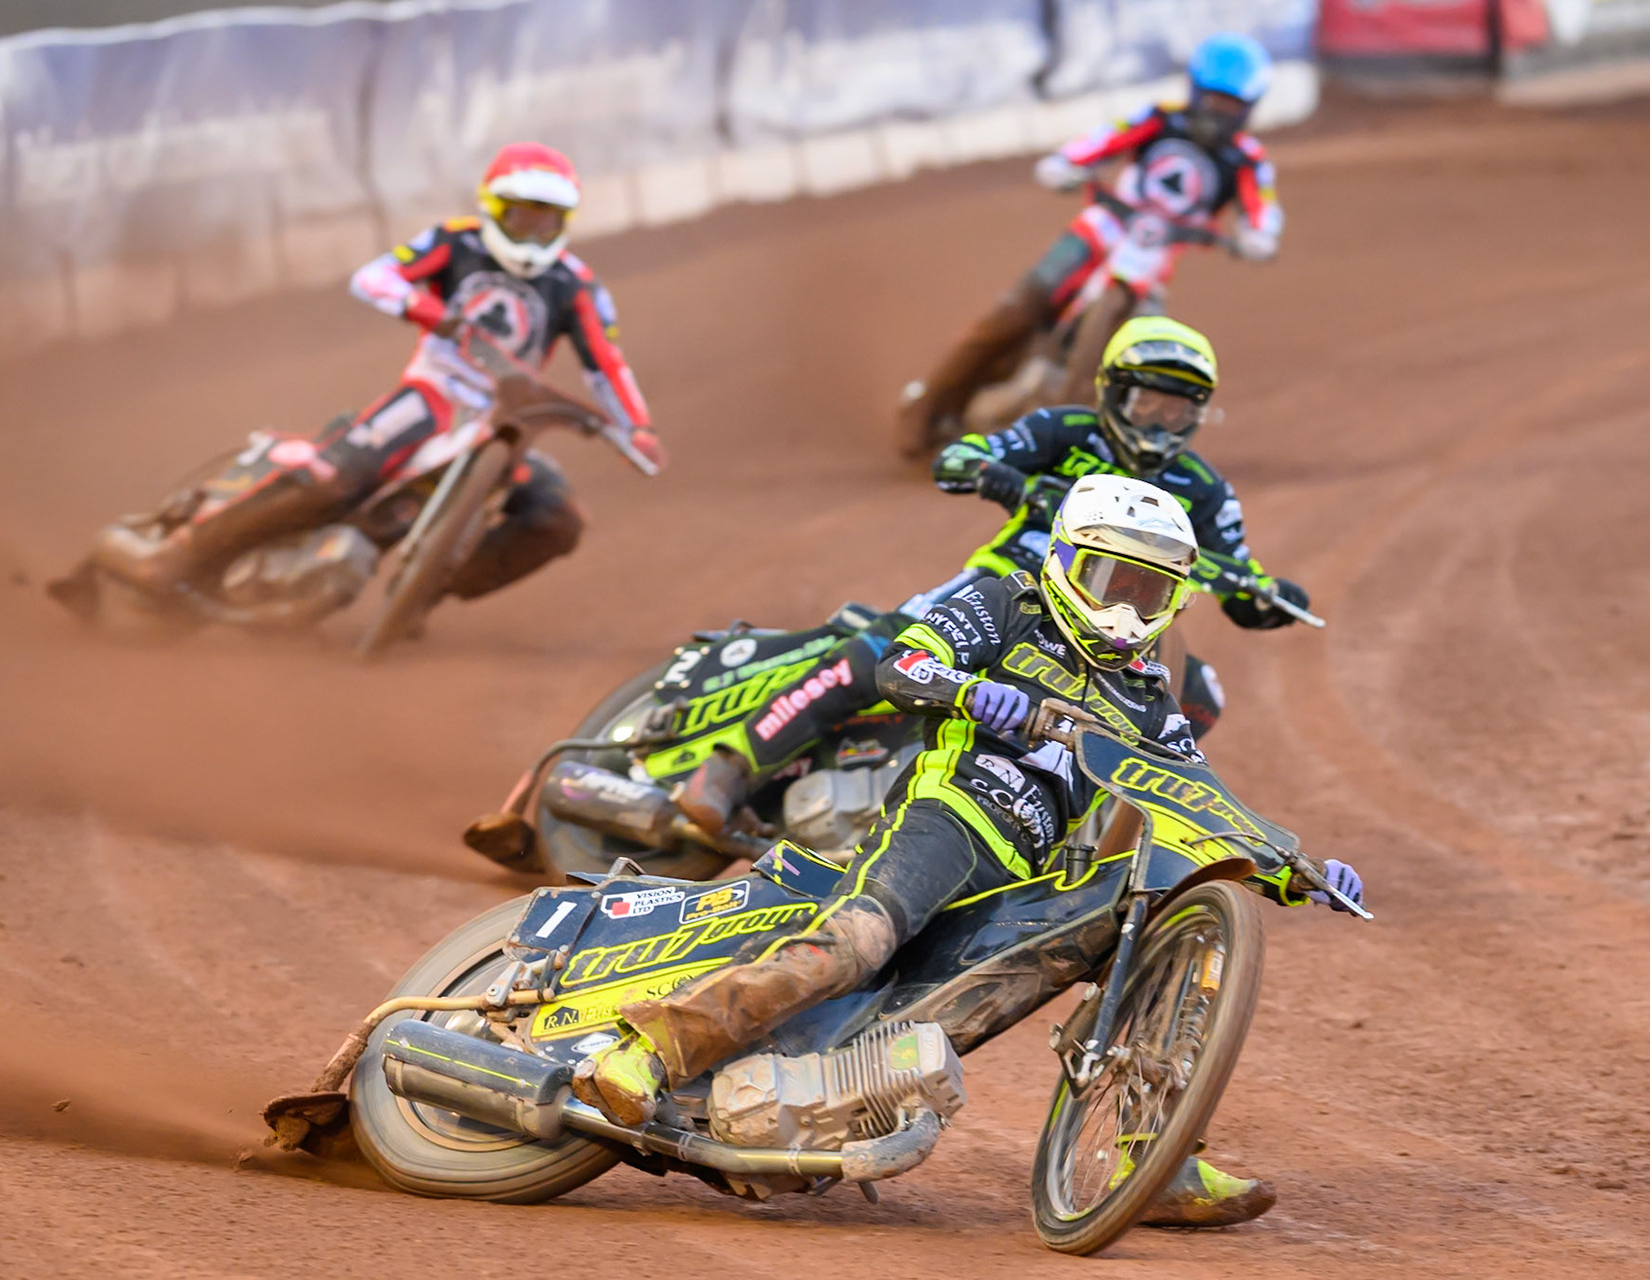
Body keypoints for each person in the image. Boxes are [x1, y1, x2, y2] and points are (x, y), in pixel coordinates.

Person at [575, 474, 1364, 1227]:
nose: (1124, 606)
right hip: (946, 820)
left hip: (1023, 880)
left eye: (1146, 590)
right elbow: (903, 661)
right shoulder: (1007, 606)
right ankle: (650, 1050)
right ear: (1062, 562)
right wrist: (969, 691)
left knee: (1147, 940)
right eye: (1108, 578)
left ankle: (1150, 1155)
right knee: (857, 945)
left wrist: (1292, 868)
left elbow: (1200, 796)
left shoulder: (1152, 702)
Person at [675, 315, 1307, 837]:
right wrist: (1001, 477)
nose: (1155, 423)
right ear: (1113, 392)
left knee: (1200, 696)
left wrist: (1273, 599)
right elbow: (960, 455)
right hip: (1009, 592)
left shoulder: (1205, 490)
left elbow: (1238, 576)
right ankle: (728, 767)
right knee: (884, 651)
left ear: (1198, 415)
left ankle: (1081, 822)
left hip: (1113, 635)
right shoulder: (1064, 429)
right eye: (1146, 402)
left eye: (1175, 411)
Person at [91, 142, 662, 602]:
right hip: (434, 392)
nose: (533, 232)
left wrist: (636, 428)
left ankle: (428, 588)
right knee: (332, 476)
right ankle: (180, 553)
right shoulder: (456, 241)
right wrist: (439, 318)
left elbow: (606, 363)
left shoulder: (576, 285)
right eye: (521, 217)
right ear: (493, 209)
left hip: (504, 419)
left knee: (556, 517)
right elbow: (374, 278)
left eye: (547, 221)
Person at [896, 31, 1284, 456]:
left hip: (1153, 260)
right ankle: (929, 408)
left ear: (1249, 108)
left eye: (1231, 105)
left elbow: (1261, 206)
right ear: (1194, 91)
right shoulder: (1159, 118)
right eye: (1214, 100)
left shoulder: (1246, 159)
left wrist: (1259, 235)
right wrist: (1069, 162)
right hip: (1099, 230)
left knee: (1146, 360)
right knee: (1017, 309)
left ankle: (1098, 442)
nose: (1220, 114)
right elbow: (1106, 138)